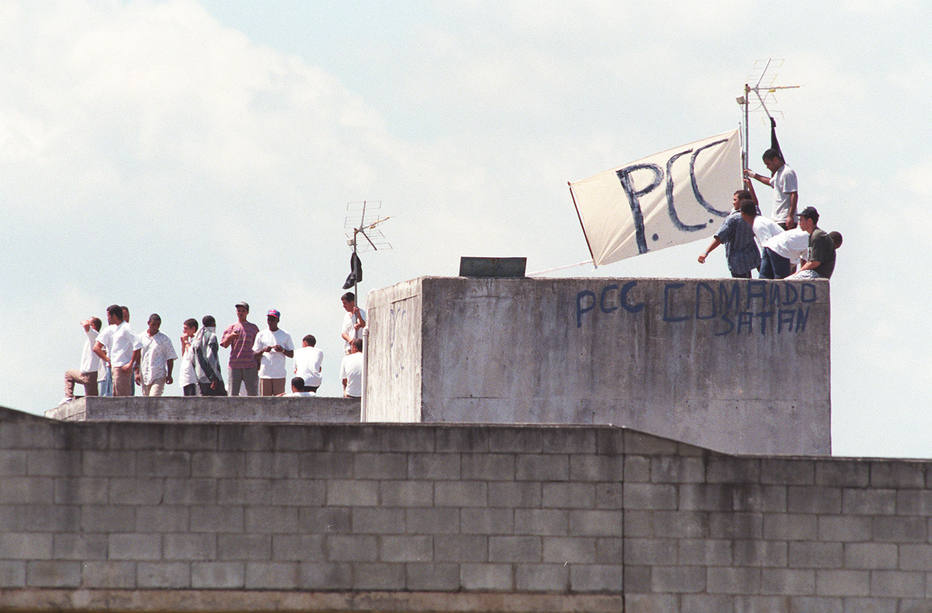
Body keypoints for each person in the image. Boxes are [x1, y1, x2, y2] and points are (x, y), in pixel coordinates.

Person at [697, 199, 760, 278]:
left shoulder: (734, 219)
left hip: (738, 262)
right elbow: (756, 204)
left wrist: (706, 252)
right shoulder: (755, 215)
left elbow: (719, 237)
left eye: (735, 199)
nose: (733, 202)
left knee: (741, 287)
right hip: (753, 258)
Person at [745, 148, 799, 229]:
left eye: (768, 164)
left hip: (784, 219)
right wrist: (754, 175)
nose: (767, 167)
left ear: (775, 160)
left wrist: (790, 216)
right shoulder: (778, 173)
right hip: (777, 219)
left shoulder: (787, 172)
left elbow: (793, 194)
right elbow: (770, 182)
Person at [93, 304, 139, 397]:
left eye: (108, 316)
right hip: (114, 366)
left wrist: (130, 364)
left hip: (122, 367)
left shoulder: (126, 328)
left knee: (123, 397)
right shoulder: (114, 329)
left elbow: (138, 345)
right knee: (114, 396)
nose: (108, 319)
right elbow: (96, 347)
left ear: (113, 315)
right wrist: (108, 359)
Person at [219, 301, 260, 396]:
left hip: (250, 364)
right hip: (235, 365)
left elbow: (258, 347)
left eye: (243, 310)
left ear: (247, 312)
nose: (240, 313)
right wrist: (231, 336)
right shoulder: (232, 327)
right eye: (238, 310)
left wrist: (258, 364)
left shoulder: (253, 328)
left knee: (253, 394)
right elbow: (224, 344)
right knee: (233, 394)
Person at [252, 309, 294, 396]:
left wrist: (282, 350)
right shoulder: (261, 334)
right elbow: (254, 355)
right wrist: (263, 350)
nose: (270, 321)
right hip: (265, 374)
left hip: (279, 375)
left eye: (273, 319)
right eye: (269, 319)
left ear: (278, 320)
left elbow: (292, 354)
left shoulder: (285, 335)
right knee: (264, 403)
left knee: (279, 403)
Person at [61, 317, 103, 403]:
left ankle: (68, 397)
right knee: (93, 401)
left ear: (93, 326)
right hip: (90, 375)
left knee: (68, 374)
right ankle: (68, 397)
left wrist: (83, 321)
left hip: (88, 375)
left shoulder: (94, 335)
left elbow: (86, 325)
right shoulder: (96, 338)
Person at [788, 207, 837, 280]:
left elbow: (815, 262)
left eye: (801, 220)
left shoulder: (817, 236)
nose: (799, 223)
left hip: (819, 274)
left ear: (810, 221)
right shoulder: (813, 235)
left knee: (788, 281)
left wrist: (799, 272)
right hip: (814, 273)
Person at [135, 314, 177, 397]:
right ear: (148, 323)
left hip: (159, 374)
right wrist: (136, 373)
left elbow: (170, 357)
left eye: (158, 325)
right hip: (144, 373)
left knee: (154, 397)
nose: (155, 327)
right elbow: (137, 356)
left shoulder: (164, 339)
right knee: (146, 400)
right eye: (153, 324)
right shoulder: (141, 337)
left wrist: (169, 375)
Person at [193, 315, 226, 396]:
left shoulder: (197, 338)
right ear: (213, 324)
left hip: (200, 376)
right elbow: (211, 358)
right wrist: (214, 378)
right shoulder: (212, 336)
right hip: (211, 377)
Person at [178, 318, 199, 397]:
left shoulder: (196, 340)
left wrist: (186, 342)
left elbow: (192, 354)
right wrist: (183, 343)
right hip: (186, 376)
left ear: (193, 329)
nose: (184, 331)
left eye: (186, 329)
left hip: (192, 377)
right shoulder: (189, 340)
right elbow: (184, 355)